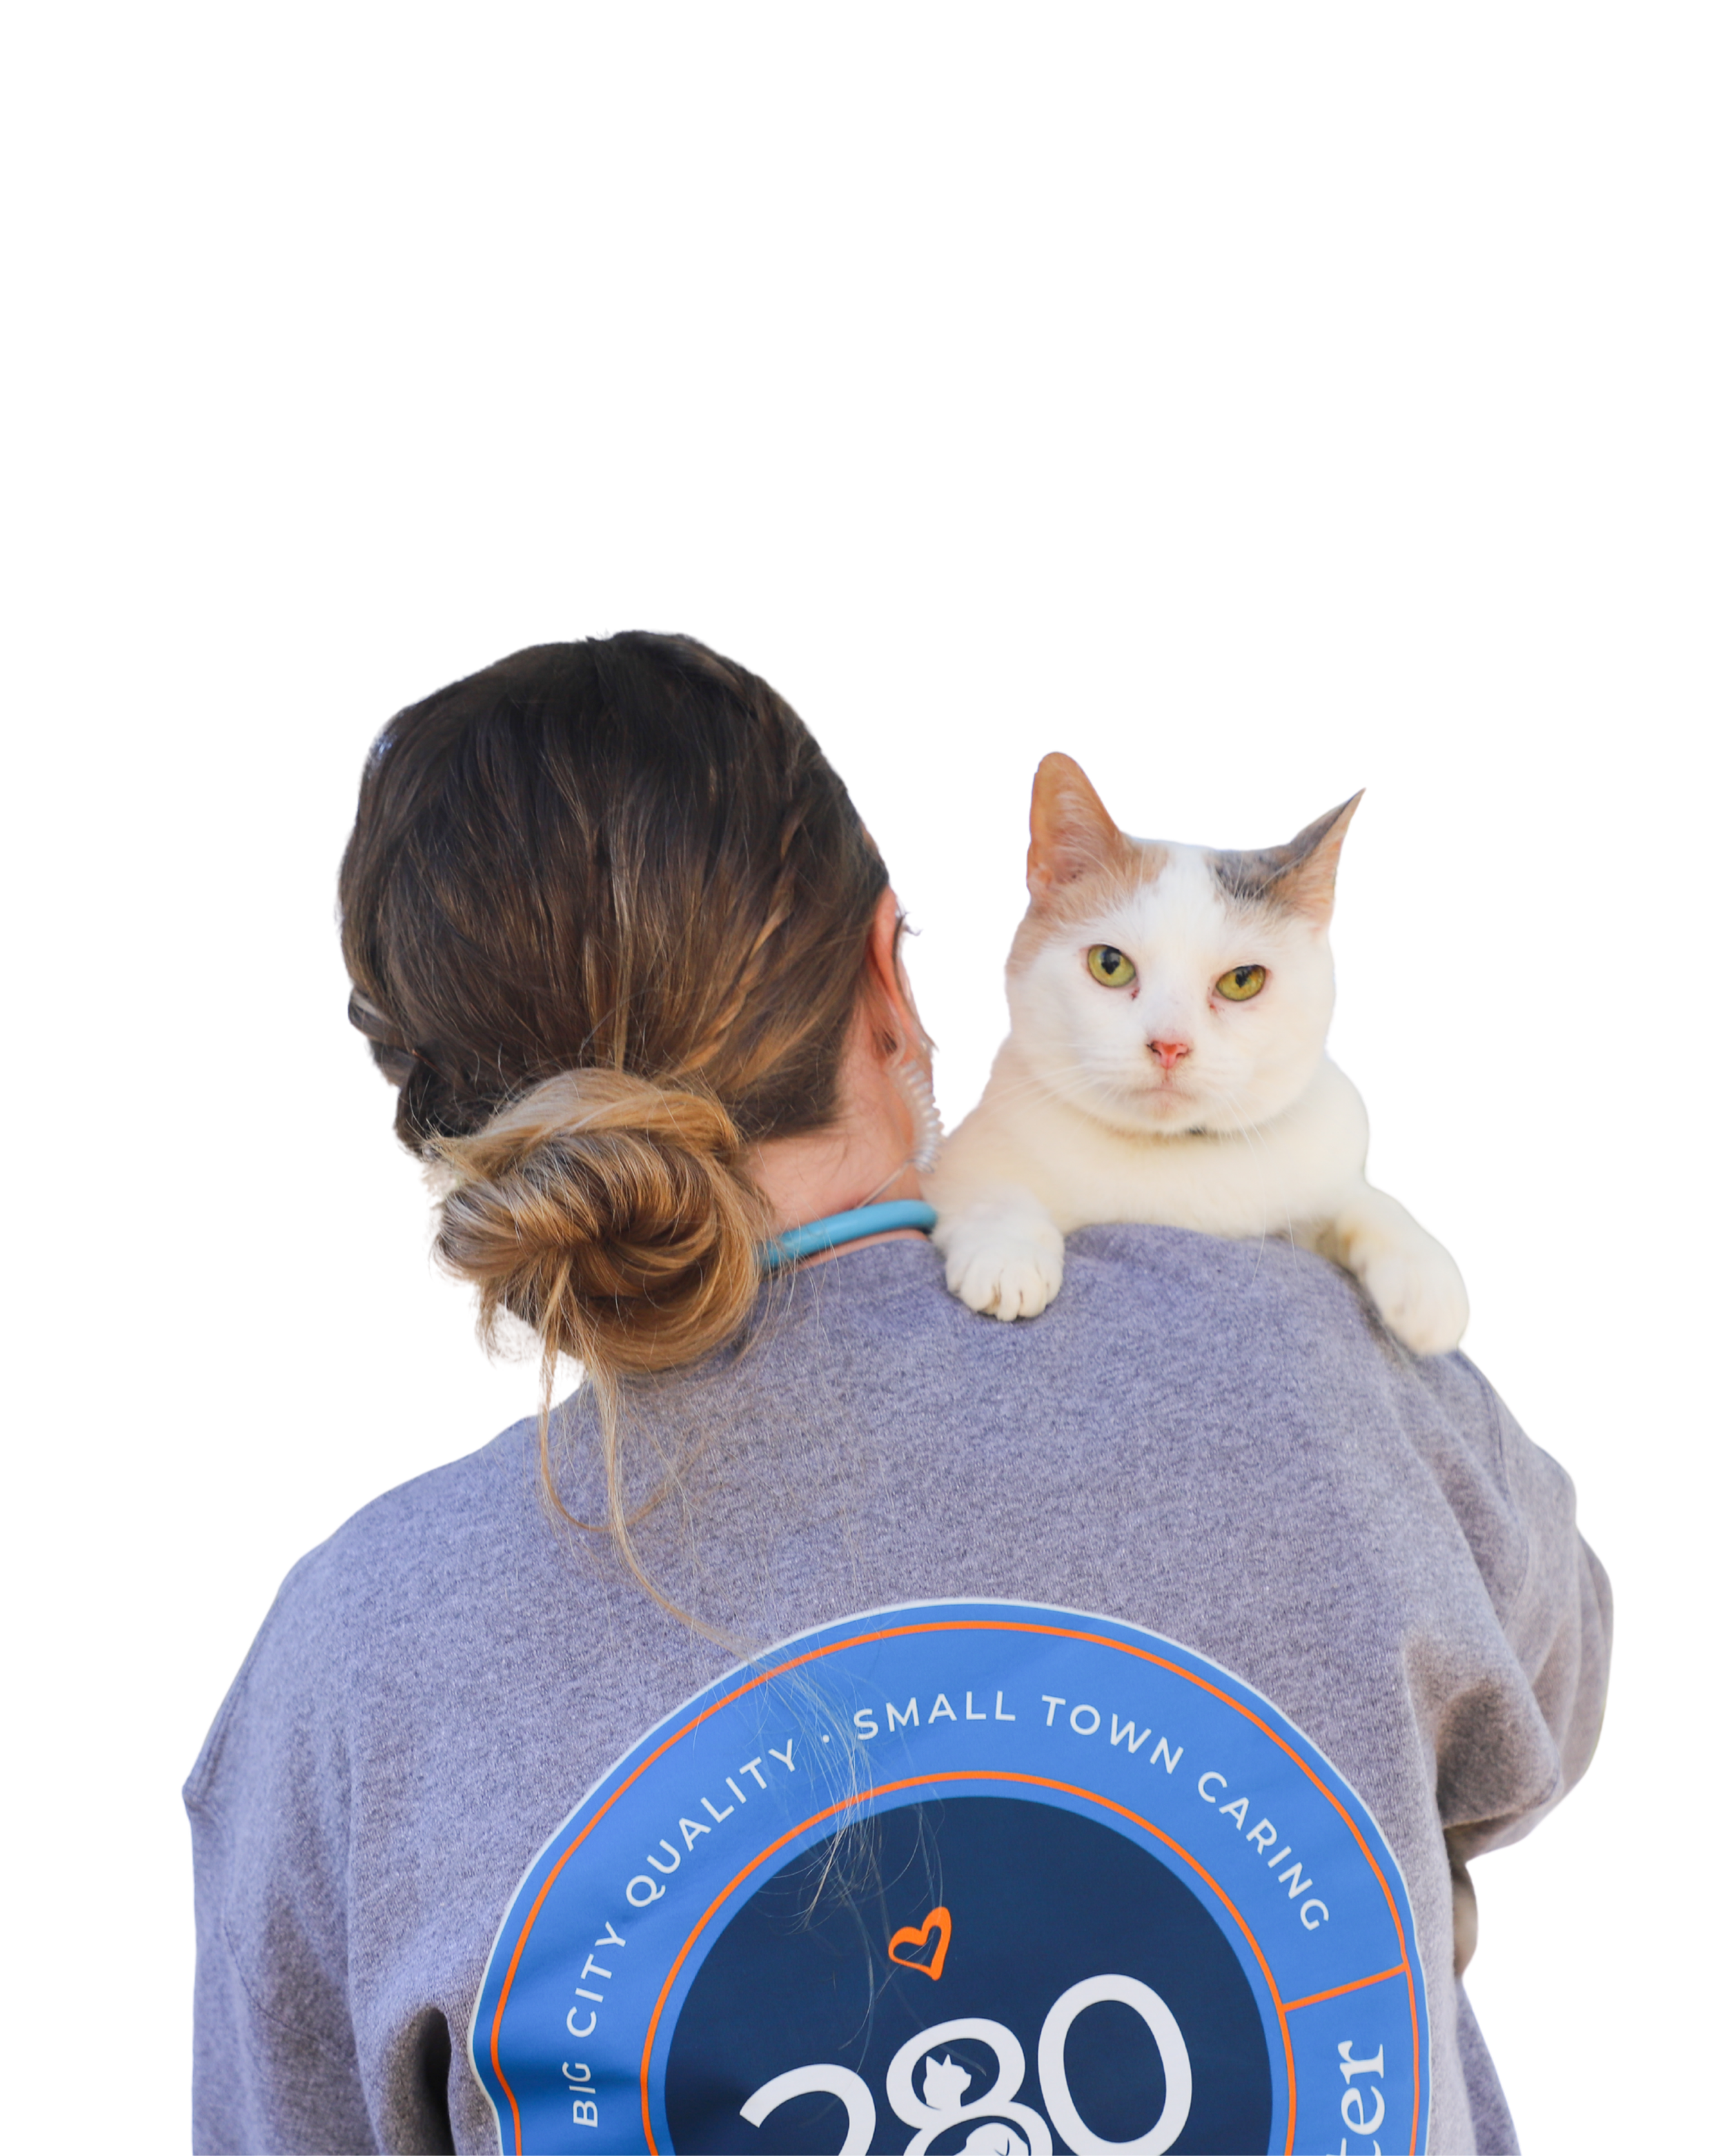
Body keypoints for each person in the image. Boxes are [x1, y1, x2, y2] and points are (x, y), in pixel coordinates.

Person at [183, 631, 1614, 2156]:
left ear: (432, 1129)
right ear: (890, 970)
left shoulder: (350, 1662)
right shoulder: (1326, 1367)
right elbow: (1549, 1728)